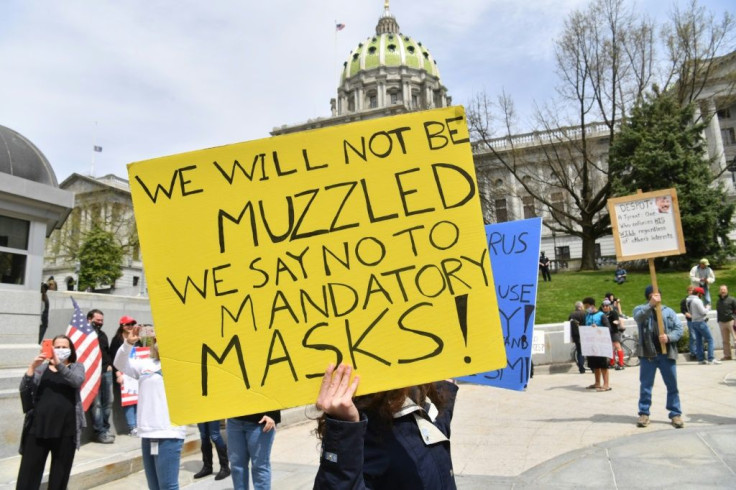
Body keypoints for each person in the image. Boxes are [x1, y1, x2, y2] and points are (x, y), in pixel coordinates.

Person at [313, 363, 458, 489]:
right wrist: (344, 428)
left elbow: (434, 434)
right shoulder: (369, 432)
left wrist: (445, 396)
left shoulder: (419, 397)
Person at [114, 326, 186, 490]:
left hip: (169, 433)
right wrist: (128, 343)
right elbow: (119, 363)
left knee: (168, 486)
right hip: (147, 432)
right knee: (153, 486)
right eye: (157, 338)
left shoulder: (181, 365)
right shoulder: (146, 363)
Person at [17, 335, 86, 490]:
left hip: (66, 430)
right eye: (57, 347)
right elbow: (24, 390)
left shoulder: (76, 367)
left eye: (64, 347)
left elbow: (76, 381)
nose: (61, 350)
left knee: (59, 476)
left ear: (71, 349)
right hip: (38, 428)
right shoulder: (41, 369)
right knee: (28, 475)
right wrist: (31, 368)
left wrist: (59, 364)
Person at [634, 286, 684, 428]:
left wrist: (669, 337)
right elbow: (638, 318)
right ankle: (644, 413)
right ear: (648, 297)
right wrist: (650, 305)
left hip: (666, 354)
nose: (655, 298)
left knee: (672, 385)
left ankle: (675, 414)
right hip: (648, 355)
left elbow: (679, 328)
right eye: (651, 296)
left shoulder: (668, 311)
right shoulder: (640, 309)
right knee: (646, 386)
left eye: (657, 295)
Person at [227, 410, 280, 489]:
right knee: (237, 466)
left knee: (260, 466)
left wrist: (272, 414)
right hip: (234, 419)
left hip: (261, 421)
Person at [109, 315, 140, 436]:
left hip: (136, 372)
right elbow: (113, 358)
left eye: (132, 324)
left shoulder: (138, 339)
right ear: (122, 326)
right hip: (123, 373)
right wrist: (118, 374)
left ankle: (138, 425)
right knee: (129, 401)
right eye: (127, 324)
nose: (130, 327)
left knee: (138, 400)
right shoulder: (117, 340)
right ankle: (132, 427)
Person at [88, 308, 115, 444]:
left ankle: (105, 428)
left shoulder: (103, 335)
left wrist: (109, 364)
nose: (100, 322)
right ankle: (99, 432)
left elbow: (107, 351)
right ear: (89, 320)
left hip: (106, 371)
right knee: (96, 404)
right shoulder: (85, 335)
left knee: (109, 401)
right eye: (97, 320)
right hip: (92, 373)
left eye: (102, 321)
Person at [582, 297, 611, 391]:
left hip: (601, 344)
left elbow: (608, 328)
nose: (585, 308)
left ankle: (606, 384)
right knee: (595, 365)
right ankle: (597, 383)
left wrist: (597, 328)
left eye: (586, 306)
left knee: (603, 364)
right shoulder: (587, 315)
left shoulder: (601, 315)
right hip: (591, 344)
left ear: (592, 305)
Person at [686, 287, 720, 365]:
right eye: (701, 294)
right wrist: (708, 308)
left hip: (694, 322)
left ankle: (700, 359)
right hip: (700, 322)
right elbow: (703, 312)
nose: (702, 296)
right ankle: (711, 358)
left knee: (698, 341)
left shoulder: (688, 300)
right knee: (710, 339)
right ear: (699, 294)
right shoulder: (697, 301)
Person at [602, 300, 625, 370]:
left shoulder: (613, 313)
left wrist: (616, 322)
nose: (605, 307)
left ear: (609, 306)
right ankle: (612, 362)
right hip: (607, 332)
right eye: (604, 306)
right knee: (611, 348)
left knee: (617, 346)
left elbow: (617, 320)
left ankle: (621, 363)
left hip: (614, 332)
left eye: (606, 306)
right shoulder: (603, 314)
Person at [715, 284, 736, 361]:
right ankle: (727, 355)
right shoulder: (718, 301)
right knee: (725, 340)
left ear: (727, 290)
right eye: (721, 289)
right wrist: (718, 321)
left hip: (731, 321)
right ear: (719, 291)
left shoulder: (732, 300)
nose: (722, 291)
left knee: (735, 339)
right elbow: (718, 311)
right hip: (722, 322)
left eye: (724, 289)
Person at [568, 301, 587, 374]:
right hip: (583, 334)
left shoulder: (571, 314)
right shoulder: (583, 314)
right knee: (586, 351)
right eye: (582, 306)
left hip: (575, 336)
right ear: (580, 307)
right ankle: (592, 368)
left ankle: (581, 368)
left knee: (579, 351)